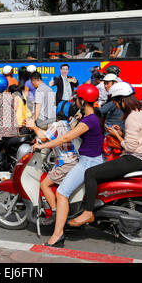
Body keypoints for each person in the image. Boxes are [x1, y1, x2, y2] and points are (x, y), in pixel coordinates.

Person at [69, 82, 142, 229]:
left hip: (134, 158)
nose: (116, 105)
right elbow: (140, 136)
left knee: (90, 173)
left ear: (122, 99)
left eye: (115, 101)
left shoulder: (132, 117)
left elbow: (130, 146)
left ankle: (88, 212)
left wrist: (117, 136)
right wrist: (121, 133)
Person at [32, 84, 104, 247]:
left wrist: (42, 146)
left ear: (82, 100)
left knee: (62, 193)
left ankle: (57, 235)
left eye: (77, 99)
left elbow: (65, 138)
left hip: (87, 162)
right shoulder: (92, 118)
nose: (75, 102)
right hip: (90, 159)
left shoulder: (89, 120)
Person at [27, 101, 79, 226]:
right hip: (74, 161)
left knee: (45, 184)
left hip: (65, 163)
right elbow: (48, 136)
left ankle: (54, 213)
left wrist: (33, 126)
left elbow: (43, 137)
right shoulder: (71, 125)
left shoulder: (57, 125)